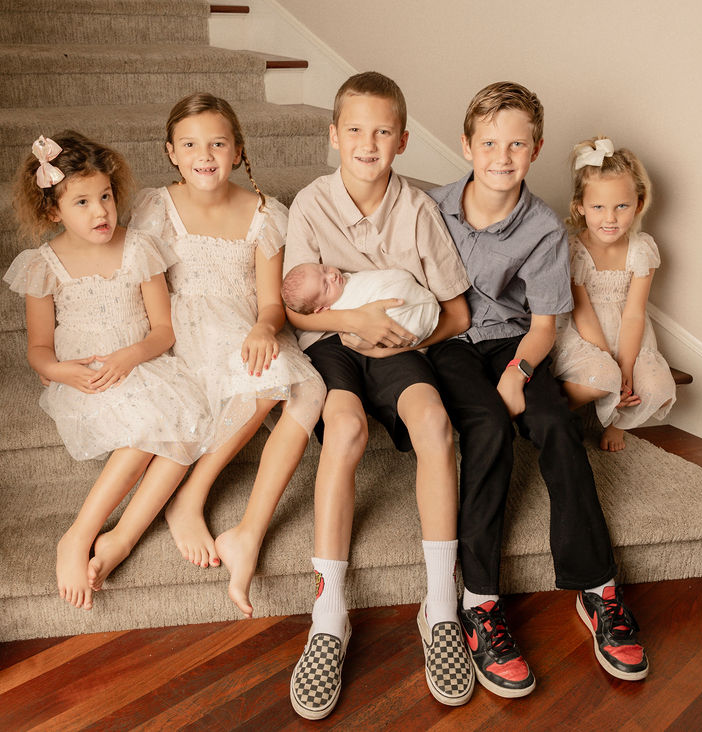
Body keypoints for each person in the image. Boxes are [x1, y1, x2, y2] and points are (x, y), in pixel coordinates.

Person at [426, 83, 650, 695]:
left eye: (518, 144)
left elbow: (546, 326)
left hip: (516, 345)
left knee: (554, 423)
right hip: (446, 343)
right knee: (489, 428)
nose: (503, 156)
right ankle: (479, 602)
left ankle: (599, 587)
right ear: (466, 145)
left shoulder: (546, 227)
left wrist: (519, 375)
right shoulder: (430, 207)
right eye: (490, 143)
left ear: (537, 149)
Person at [283, 71, 475, 719]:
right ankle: (329, 613)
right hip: (336, 339)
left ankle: (441, 608)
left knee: (435, 426)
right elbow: (300, 313)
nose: (368, 143)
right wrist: (355, 322)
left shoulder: (417, 209)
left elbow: (458, 312)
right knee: (345, 430)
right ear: (335, 136)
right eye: (356, 130)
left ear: (403, 141)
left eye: (383, 131)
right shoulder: (311, 202)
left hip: (398, 339)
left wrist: (408, 340)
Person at [130, 93, 325, 619]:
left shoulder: (264, 214)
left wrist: (266, 325)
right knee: (262, 387)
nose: (205, 154)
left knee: (310, 388)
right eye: (190, 144)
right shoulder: (158, 207)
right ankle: (190, 498)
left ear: (237, 151)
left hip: (245, 326)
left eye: (218, 143)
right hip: (186, 325)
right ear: (172, 152)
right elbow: (140, 283)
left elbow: (269, 299)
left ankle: (249, 529)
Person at [6, 131, 209, 612]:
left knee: (186, 429)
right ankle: (77, 537)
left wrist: (131, 356)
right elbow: (37, 348)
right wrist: (59, 371)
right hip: (86, 375)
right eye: (82, 202)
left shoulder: (140, 249)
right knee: (151, 431)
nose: (100, 211)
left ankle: (118, 537)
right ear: (53, 212)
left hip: (139, 362)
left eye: (105, 196)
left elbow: (163, 331)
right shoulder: (44, 265)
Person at [550, 137, 676, 452]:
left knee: (657, 384)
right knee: (602, 374)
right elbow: (582, 311)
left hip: (628, 333)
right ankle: (560, 412)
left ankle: (617, 423)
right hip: (583, 333)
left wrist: (628, 366)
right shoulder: (573, 250)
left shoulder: (641, 250)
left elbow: (634, 313)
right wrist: (612, 364)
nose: (610, 218)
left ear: (639, 204)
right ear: (580, 206)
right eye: (598, 207)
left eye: (621, 206)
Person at [281, 263, 440, 346]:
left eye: (323, 269)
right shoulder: (344, 307)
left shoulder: (348, 280)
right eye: (326, 286)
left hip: (413, 295)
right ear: (322, 308)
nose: (332, 276)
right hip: (410, 321)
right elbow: (363, 334)